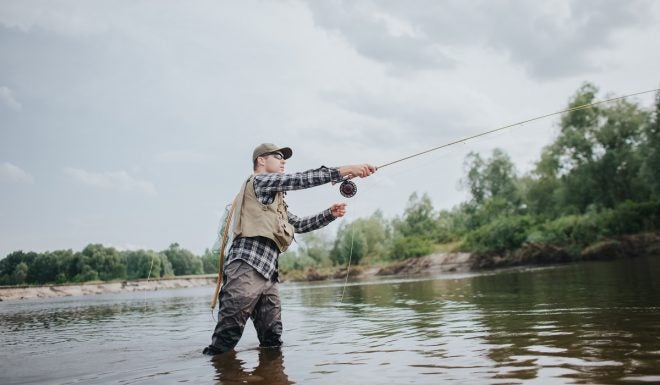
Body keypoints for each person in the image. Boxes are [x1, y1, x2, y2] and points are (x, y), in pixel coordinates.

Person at [203, 143, 376, 356]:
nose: (283, 161)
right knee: (226, 339)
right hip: (245, 268)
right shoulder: (259, 181)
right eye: (278, 156)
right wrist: (346, 169)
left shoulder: (277, 202)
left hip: (268, 275)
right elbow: (299, 180)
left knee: (273, 340)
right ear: (261, 160)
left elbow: (299, 225)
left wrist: (329, 214)